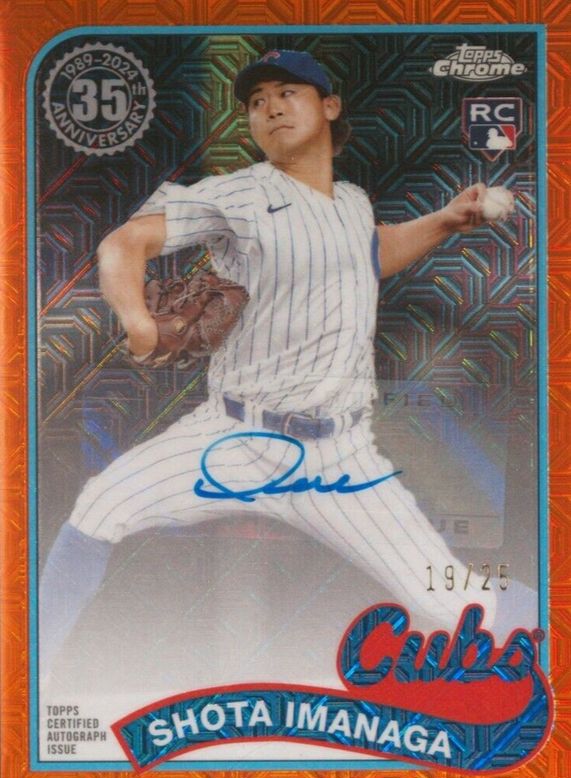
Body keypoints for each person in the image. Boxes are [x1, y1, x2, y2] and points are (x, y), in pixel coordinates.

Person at [40, 49, 520, 680]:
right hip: (232, 438)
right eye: (256, 101)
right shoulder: (240, 193)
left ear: (330, 107)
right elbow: (124, 242)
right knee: (99, 508)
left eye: (287, 92)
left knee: (456, 602)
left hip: (339, 457)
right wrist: (136, 318)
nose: (269, 107)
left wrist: (444, 221)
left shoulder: (350, 201)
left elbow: (368, 252)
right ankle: (28, 676)